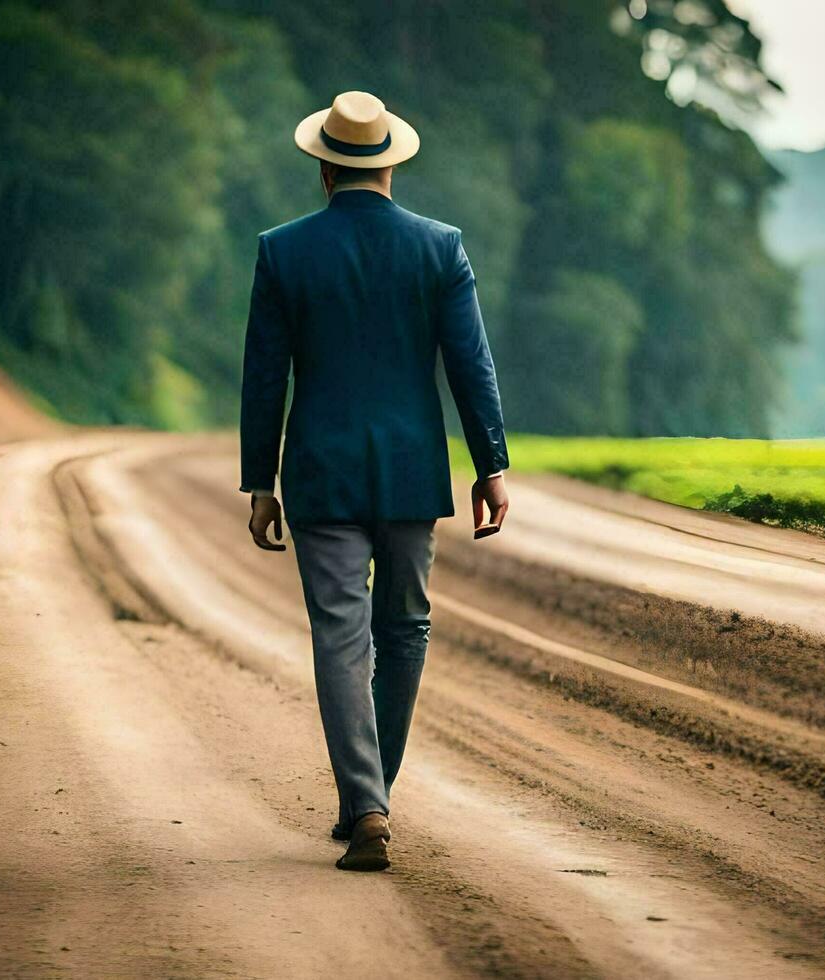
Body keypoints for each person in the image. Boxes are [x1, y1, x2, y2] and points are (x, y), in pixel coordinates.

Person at [239, 91, 510, 872]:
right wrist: (491, 466)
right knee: (404, 631)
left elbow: (265, 378)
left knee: (340, 637)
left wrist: (261, 480)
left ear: (323, 166)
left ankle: (366, 804)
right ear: (390, 163)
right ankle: (369, 799)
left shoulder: (281, 251)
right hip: (409, 470)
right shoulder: (441, 248)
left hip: (320, 472)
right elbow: (472, 366)